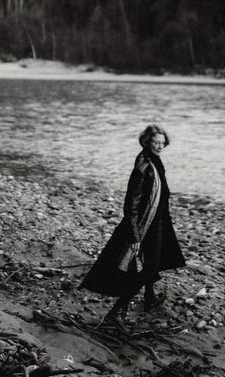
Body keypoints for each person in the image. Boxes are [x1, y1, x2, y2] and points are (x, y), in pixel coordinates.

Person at [79, 124, 185, 326]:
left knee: (153, 261)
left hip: (158, 222)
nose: (160, 146)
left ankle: (150, 298)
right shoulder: (143, 167)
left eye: (163, 143)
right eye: (156, 142)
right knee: (147, 268)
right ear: (147, 142)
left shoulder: (154, 161)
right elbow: (131, 204)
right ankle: (117, 311)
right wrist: (135, 236)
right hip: (146, 225)